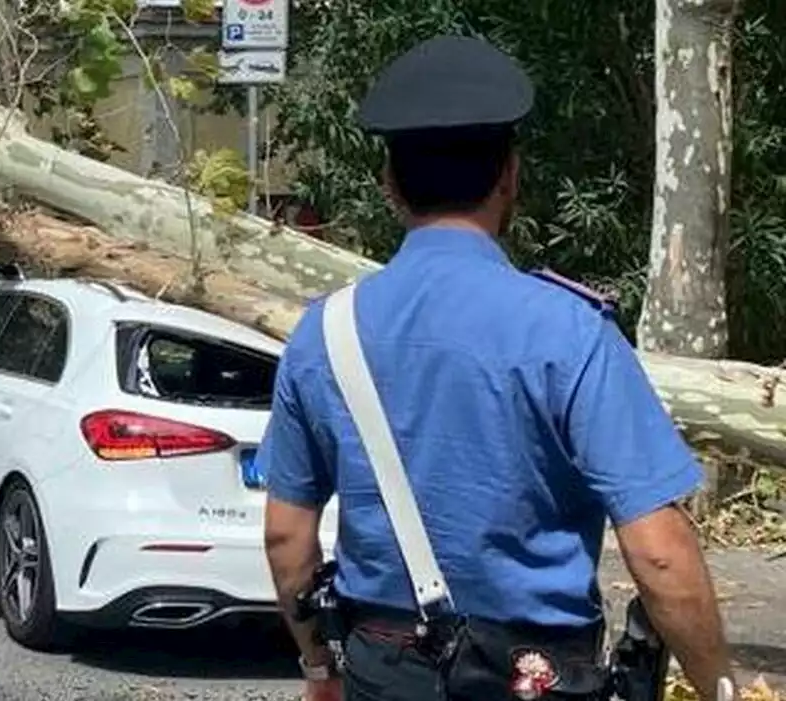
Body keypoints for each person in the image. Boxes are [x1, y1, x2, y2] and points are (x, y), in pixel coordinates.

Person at [259, 35, 733, 701]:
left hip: (381, 667)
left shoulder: (324, 332)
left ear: (390, 185)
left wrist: (319, 666)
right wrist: (720, 685)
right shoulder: (568, 330)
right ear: (510, 175)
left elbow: (286, 536)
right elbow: (658, 549)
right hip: (533, 675)